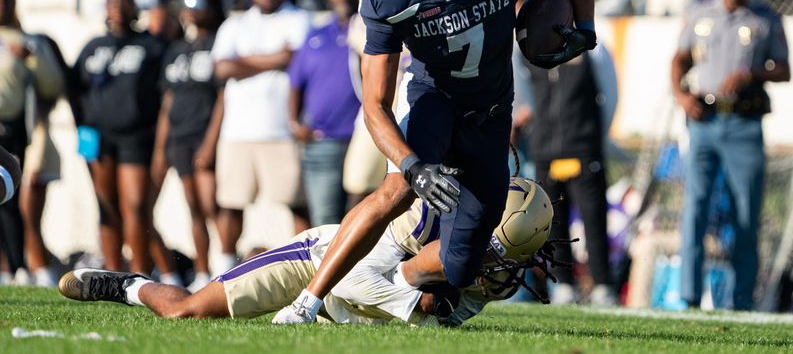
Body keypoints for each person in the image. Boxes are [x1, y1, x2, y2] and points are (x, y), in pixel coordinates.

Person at [273, 0, 596, 323]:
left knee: (461, 263)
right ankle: (307, 301)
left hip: (491, 113)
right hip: (435, 100)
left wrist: (585, 29)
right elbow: (374, 104)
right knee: (396, 191)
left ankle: (397, 287)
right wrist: (413, 165)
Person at [58, 178, 553, 326]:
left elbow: (445, 314)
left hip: (345, 314)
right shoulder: (410, 226)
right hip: (319, 262)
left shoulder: (494, 270)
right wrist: (415, 303)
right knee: (186, 312)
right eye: (490, 255)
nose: (495, 271)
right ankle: (127, 285)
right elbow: (355, 279)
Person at [671, 0, 791, 311]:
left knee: (745, 212)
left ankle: (742, 300)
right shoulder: (699, 13)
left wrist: (752, 73)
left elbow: (784, 70)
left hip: (743, 123)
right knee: (695, 208)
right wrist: (681, 96)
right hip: (704, 121)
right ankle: (689, 297)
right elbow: (679, 60)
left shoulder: (765, 19)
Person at [211, 0, 311, 273]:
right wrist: (274, 59)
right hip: (237, 130)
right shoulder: (235, 24)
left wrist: (242, 62)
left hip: (280, 129)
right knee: (230, 203)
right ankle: (223, 268)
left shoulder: (298, 18)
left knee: (296, 202)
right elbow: (220, 68)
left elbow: (294, 57)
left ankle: (305, 268)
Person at [71, 0, 169, 277]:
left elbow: (164, 93)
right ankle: (113, 275)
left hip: (136, 137)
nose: (117, 8)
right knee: (106, 207)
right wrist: (83, 129)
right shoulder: (93, 47)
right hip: (98, 137)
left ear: (133, 6)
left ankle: (139, 275)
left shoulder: (151, 46)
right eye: (112, 3)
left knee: (136, 206)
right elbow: (74, 88)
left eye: (123, 2)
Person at [518, 33, 618, 306]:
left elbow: (610, 94)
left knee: (594, 219)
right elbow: (524, 97)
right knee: (552, 221)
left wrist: (594, 137)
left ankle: (603, 284)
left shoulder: (592, 47)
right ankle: (563, 283)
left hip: (583, 149)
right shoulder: (527, 49)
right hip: (545, 150)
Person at [152, 0, 225, 291]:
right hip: (179, 138)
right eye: (187, 3)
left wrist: (210, 142)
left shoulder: (218, 45)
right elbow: (168, 102)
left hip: (204, 134)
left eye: (199, 2)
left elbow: (223, 96)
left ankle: (226, 265)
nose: (192, 9)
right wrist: (160, 148)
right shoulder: (177, 49)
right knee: (193, 206)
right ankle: (201, 271)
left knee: (212, 205)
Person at [0, 0, 63, 282]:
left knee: (10, 198)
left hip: (11, 129)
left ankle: (17, 266)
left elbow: (52, 87)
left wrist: (31, 57)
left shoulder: (27, 41)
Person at [287, 0, 362, 226]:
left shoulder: (367, 29)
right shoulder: (315, 35)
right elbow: (295, 83)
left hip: (364, 138)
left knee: (363, 221)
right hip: (322, 140)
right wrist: (293, 122)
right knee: (325, 222)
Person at [19, 35, 69, 287]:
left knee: (27, 211)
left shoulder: (32, 44)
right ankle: (17, 268)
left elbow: (52, 89)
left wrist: (30, 57)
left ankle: (42, 270)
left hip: (33, 138)